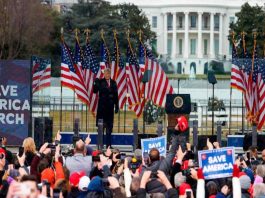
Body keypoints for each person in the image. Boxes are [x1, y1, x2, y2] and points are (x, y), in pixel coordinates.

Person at [93, 68, 119, 148]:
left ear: (110, 74)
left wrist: (116, 105)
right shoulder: (100, 82)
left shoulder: (114, 82)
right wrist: (95, 83)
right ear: (103, 74)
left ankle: (108, 146)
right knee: (101, 129)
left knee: (109, 129)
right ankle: (100, 145)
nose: (107, 75)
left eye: (108, 73)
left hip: (110, 110)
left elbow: (116, 95)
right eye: (106, 73)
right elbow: (94, 91)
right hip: (102, 109)